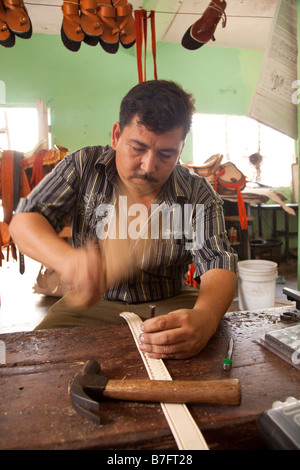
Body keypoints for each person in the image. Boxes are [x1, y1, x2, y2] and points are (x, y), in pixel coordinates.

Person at [9, 80, 237, 359]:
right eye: (137, 148)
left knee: (220, 353)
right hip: (89, 307)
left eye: (166, 154)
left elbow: (219, 262)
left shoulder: (197, 192)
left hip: (170, 302)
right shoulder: (82, 166)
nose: (148, 166)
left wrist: (205, 317)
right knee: (40, 364)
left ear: (181, 148)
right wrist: (69, 261)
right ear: (117, 135)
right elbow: (25, 220)